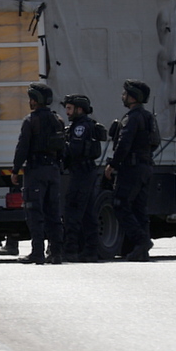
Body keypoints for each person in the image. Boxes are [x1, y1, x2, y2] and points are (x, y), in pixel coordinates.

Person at [10, 82, 65, 265]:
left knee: (34, 212)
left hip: (36, 171)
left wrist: (15, 169)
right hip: (53, 171)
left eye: (31, 99)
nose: (30, 102)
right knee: (54, 213)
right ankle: (56, 252)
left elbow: (22, 147)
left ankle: (37, 253)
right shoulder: (58, 120)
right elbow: (63, 148)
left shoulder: (31, 120)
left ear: (36, 100)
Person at [104, 79, 157, 262]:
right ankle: (141, 251)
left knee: (120, 205)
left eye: (125, 93)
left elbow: (123, 144)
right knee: (139, 209)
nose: (123, 96)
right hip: (145, 167)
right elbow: (155, 141)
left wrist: (113, 164)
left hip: (131, 169)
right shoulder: (148, 117)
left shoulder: (131, 118)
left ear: (133, 97)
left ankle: (142, 241)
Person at [61, 93, 102, 262]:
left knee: (73, 211)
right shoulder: (81, 125)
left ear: (79, 109)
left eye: (70, 109)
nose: (67, 112)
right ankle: (90, 250)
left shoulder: (81, 127)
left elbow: (74, 150)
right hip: (85, 172)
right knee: (87, 213)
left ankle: (71, 250)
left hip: (81, 172)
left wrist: (60, 145)